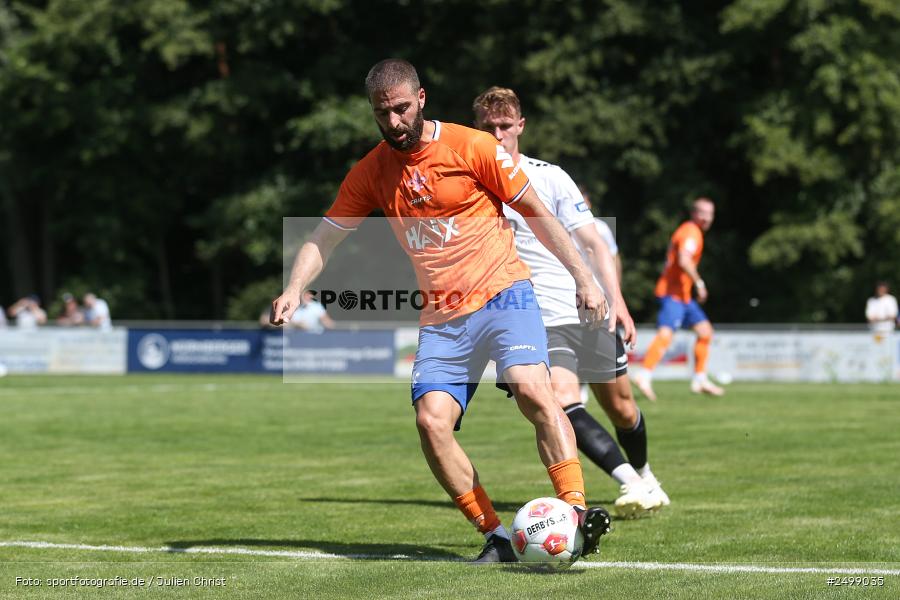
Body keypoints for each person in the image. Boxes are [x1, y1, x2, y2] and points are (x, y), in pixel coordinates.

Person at [271, 59, 611, 563]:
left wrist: (586, 277)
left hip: (504, 294)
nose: (394, 122)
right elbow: (325, 236)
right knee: (431, 422)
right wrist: (294, 286)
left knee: (532, 389)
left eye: (401, 109)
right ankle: (496, 537)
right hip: (442, 317)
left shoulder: (473, 146)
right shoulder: (370, 171)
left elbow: (538, 213)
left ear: (422, 98)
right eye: (382, 113)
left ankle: (575, 513)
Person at [473, 86, 668, 519]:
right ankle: (630, 482)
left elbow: (594, 242)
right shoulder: (469, 186)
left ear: (520, 126)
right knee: (560, 399)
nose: (498, 133)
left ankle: (646, 474)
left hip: (587, 306)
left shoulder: (550, 176)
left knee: (621, 406)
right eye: (489, 127)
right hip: (532, 314)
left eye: (505, 125)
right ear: (477, 130)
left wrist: (617, 300)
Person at [633, 198, 724, 400]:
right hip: (672, 293)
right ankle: (644, 374)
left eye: (711, 213)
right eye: (703, 213)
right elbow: (684, 259)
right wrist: (699, 283)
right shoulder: (691, 231)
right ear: (694, 214)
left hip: (683, 296)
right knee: (666, 334)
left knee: (705, 331)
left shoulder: (692, 231)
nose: (708, 217)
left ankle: (700, 379)